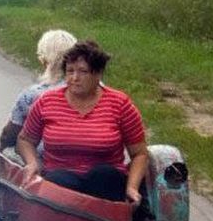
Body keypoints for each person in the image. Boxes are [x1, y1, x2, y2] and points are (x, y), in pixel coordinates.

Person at [16, 40, 148, 203]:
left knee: (103, 174)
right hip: (60, 181)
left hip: (105, 186)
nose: (74, 78)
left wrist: (132, 188)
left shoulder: (120, 104)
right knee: (58, 179)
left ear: (98, 74)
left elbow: (140, 153)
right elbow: (25, 140)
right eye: (70, 71)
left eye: (83, 72)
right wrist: (32, 163)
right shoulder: (47, 101)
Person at [0, 29, 76, 151]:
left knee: (6, 151)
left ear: (44, 60)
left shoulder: (32, 95)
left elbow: (10, 134)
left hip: (43, 158)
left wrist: (1, 146)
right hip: (89, 156)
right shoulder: (94, 88)